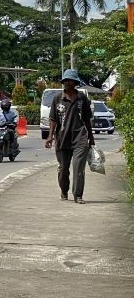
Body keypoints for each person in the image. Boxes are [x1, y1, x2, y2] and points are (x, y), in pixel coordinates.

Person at [45, 69, 94, 203]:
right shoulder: (57, 99)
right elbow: (53, 119)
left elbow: (87, 119)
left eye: (70, 80)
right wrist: (50, 137)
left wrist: (91, 137)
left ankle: (78, 195)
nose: (67, 82)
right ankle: (64, 191)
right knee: (63, 169)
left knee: (78, 168)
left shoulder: (82, 98)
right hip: (62, 138)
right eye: (65, 80)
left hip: (80, 137)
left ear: (75, 83)